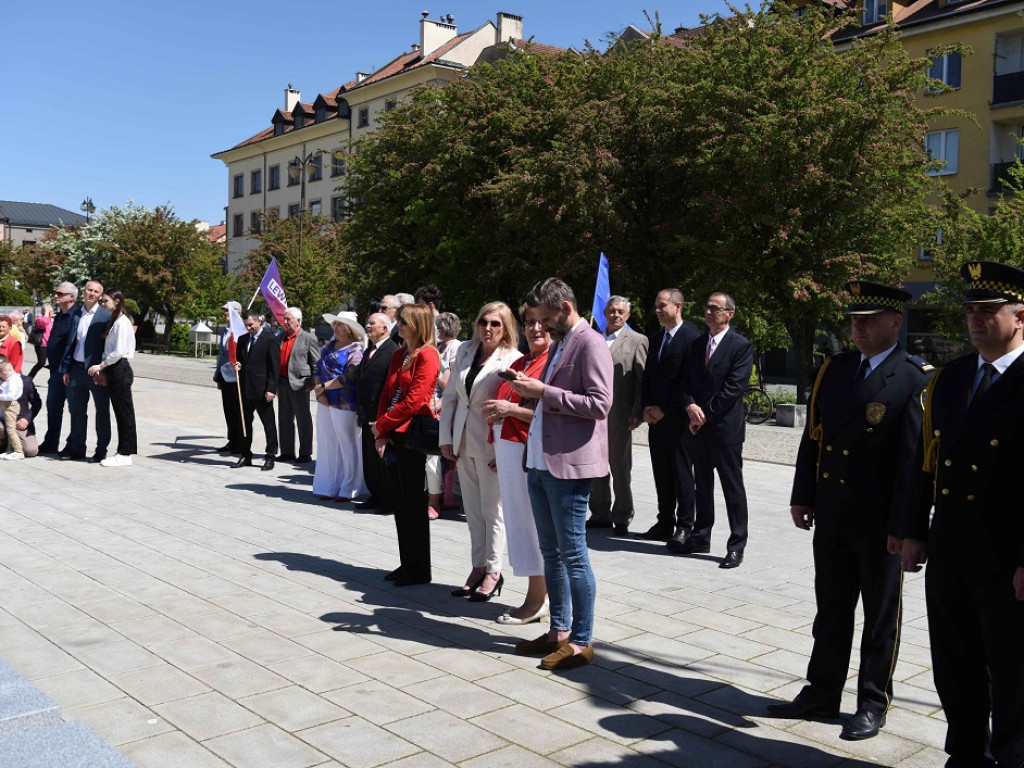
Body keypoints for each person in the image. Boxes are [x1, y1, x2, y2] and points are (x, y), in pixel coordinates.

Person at [768, 281, 932, 741]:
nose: (857, 329)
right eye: (853, 321)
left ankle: (872, 702)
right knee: (832, 610)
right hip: (835, 512)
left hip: (880, 523)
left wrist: (905, 526)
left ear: (894, 324)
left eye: (868, 321)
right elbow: (815, 438)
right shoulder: (836, 370)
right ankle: (822, 692)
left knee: (881, 617)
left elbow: (912, 465)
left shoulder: (914, 377)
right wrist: (803, 494)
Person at [896, 261, 1024, 768]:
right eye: (971, 310)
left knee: (1012, 666)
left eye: (988, 310)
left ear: (1020, 317)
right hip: (951, 544)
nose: (975, 319)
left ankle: (1012, 756)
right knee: (956, 660)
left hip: (1007, 551)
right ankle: (966, 752)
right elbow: (925, 461)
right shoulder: (948, 380)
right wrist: (912, 531)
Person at [509, 277, 613, 671]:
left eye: (548, 319)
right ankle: (558, 631)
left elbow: (600, 404)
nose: (543, 327)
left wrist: (543, 392)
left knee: (573, 554)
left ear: (566, 308)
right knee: (550, 552)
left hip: (568, 465)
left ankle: (582, 641)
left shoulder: (591, 342)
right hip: (540, 460)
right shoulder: (563, 341)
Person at [440, 302, 522, 602]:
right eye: (483, 322)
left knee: (493, 511)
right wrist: (445, 438)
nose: (488, 328)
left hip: (491, 445)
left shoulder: (513, 359)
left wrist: (503, 451)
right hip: (462, 440)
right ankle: (477, 567)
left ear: (506, 328)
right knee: (473, 512)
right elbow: (450, 397)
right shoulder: (463, 351)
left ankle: (493, 571)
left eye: (495, 324)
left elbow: (513, 408)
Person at [483, 304, 551, 624]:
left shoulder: (555, 362)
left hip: (534, 453)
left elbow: (551, 412)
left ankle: (537, 599)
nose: (535, 329)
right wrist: (501, 413)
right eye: (529, 323)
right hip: (510, 449)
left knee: (533, 528)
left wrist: (508, 410)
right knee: (520, 526)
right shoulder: (523, 361)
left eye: (543, 323)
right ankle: (539, 595)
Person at [680, 292, 754, 568]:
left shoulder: (740, 346)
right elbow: (685, 381)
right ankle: (700, 535)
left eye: (715, 308)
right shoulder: (698, 344)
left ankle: (736, 544)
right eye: (707, 307)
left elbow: (733, 389)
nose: (708, 312)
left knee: (732, 488)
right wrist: (689, 406)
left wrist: (704, 415)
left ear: (729, 314)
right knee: (702, 485)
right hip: (697, 428)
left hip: (724, 431)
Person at [373, 303, 441, 587]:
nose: (397, 324)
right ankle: (406, 563)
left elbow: (415, 400)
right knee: (399, 502)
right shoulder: (400, 353)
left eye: (402, 320)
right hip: (392, 432)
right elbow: (387, 392)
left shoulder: (428, 355)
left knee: (413, 502)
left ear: (417, 325)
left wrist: (383, 424)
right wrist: (381, 431)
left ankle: (419, 569)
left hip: (411, 434)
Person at [638, 289, 699, 542]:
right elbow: (648, 377)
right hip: (656, 420)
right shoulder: (656, 339)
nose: (658, 310)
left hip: (678, 421)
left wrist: (664, 409)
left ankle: (685, 525)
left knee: (681, 473)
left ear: (678, 306)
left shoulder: (693, 339)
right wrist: (646, 408)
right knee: (661, 472)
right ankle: (665, 522)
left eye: (662, 305)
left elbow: (688, 382)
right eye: (656, 305)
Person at [587, 296, 648, 536]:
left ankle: (622, 515)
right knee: (596, 466)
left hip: (621, 414)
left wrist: (638, 410)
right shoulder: (594, 339)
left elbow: (643, 380)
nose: (616, 315)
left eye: (620, 312)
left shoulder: (637, 340)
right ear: (605, 313)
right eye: (611, 311)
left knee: (620, 466)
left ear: (628, 315)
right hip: (593, 414)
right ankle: (600, 513)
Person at [312, 312, 366, 501]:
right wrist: (320, 391)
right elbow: (318, 367)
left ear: (349, 328)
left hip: (345, 402)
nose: (336, 327)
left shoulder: (356, 349)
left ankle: (349, 487)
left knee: (347, 444)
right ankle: (328, 485)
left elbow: (350, 376)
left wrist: (323, 387)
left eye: (340, 325)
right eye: (335, 324)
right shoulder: (329, 346)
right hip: (325, 400)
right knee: (327, 443)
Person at [60, 279, 112, 463]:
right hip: (76, 369)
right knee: (76, 411)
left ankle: (101, 449)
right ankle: (78, 448)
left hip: (96, 372)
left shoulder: (105, 316)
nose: (92, 294)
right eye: (89, 290)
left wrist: (103, 369)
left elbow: (109, 345)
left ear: (100, 295)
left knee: (102, 411)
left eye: (96, 292)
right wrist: (66, 368)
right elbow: (71, 343)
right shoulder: (76, 314)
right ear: (84, 291)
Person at [353, 313, 399, 513]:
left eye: (373, 323)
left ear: (385, 328)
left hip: (381, 415)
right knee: (370, 458)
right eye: (368, 322)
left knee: (383, 460)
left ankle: (389, 500)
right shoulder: (370, 350)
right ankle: (376, 494)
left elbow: (391, 387)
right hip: (367, 413)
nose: (368, 325)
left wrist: (385, 417)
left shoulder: (392, 351)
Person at [87, 288, 137, 467]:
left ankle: (126, 452)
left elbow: (119, 351)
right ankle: (123, 451)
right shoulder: (115, 321)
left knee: (125, 413)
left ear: (116, 301)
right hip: (114, 369)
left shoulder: (122, 322)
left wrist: (100, 366)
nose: (102, 304)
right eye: (101, 301)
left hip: (120, 368)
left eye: (105, 301)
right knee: (120, 412)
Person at [232, 309, 280, 471]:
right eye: (246, 325)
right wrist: (237, 365)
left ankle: (270, 456)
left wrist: (271, 389)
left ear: (259, 321)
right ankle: (246, 454)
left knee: (268, 424)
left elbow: (274, 367)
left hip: (262, 389)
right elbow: (240, 360)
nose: (248, 328)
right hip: (245, 389)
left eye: (251, 324)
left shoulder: (269, 339)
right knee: (244, 424)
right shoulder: (243, 339)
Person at [38, 283, 80, 455]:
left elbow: (73, 345)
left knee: (74, 409)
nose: (56, 296)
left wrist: (67, 369)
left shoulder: (76, 316)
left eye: (60, 293)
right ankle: (51, 442)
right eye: (56, 293)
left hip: (69, 371)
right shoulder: (61, 316)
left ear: (72, 297)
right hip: (55, 370)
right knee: (53, 407)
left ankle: (73, 444)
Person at [277, 307, 321, 463]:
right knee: (284, 418)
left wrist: (312, 381)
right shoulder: (280, 336)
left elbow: (316, 362)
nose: (286, 321)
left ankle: (305, 452)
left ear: (299, 321)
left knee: (303, 419)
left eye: (289, 319)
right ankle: (287, 452)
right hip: (282, 383)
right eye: (285, 318)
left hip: (300, 384)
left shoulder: (308, 338)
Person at [213, 301, 244, 454]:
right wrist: (218, 376)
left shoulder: (241, 330)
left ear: (238, 313)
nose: (225, 313)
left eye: (228, 311)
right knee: (228, 411)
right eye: (224, 311)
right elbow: (221, 356)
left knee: (238, 411)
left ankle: (240, 442)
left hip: (237, 378)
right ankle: (232, 440)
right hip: (225, 376)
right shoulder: (225, 330)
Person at [0, 362, 41, 459]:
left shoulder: (24, 381)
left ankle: (15, 448)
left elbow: (37, 402)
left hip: (18, 421)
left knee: (30, 450)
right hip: (1, 421)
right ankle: (6, 444)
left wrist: (26, 419)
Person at [0, 357, 24, 460]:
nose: (1, 376)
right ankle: (10, 449)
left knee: (11, 429)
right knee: (9, 428)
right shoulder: (9, 379)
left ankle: (18, 451)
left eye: (2, 374)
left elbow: (11, 396)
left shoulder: (14, 380)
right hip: (6, 404)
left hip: (10, 405)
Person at [27, 304, 54, 380]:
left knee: (53, 363)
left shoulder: (52, 321)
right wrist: (46, 312)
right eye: (49, 311)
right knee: (41, 363)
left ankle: (53, 379)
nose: (51, 312)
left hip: (50, 345)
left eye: (52, 311)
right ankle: (29, 378)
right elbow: (44, 322)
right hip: (42, 345)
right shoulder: (40, 319)